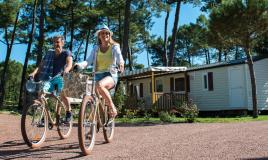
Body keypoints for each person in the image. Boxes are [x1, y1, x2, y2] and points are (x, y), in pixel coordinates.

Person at [75, 24, 124, 118]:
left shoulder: (114, 47)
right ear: (99, 36)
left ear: (109, 35)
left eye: (107, 33)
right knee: (93, 99)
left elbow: (119, 57)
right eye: (102, 33)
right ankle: (91, 128)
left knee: (99, 85)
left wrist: (121, 63)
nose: (105, 35)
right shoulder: (96, 48)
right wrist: (79, 65)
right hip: (97, 75)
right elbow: (88, 61)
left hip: (110, 75)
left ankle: (112, 106)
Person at [29, 35, 73, 122]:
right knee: (41, 93)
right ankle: (44, 116)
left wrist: (66, 70)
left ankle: (69, 112)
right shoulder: (49, 53)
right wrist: (33, 73)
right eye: (54, 42)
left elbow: (69, 64)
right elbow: (41, 66)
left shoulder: (66, 53)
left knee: (62, 93)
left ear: (62, 43)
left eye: (57, 42)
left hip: (59, 77)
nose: (55, 44)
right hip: (48, 78)